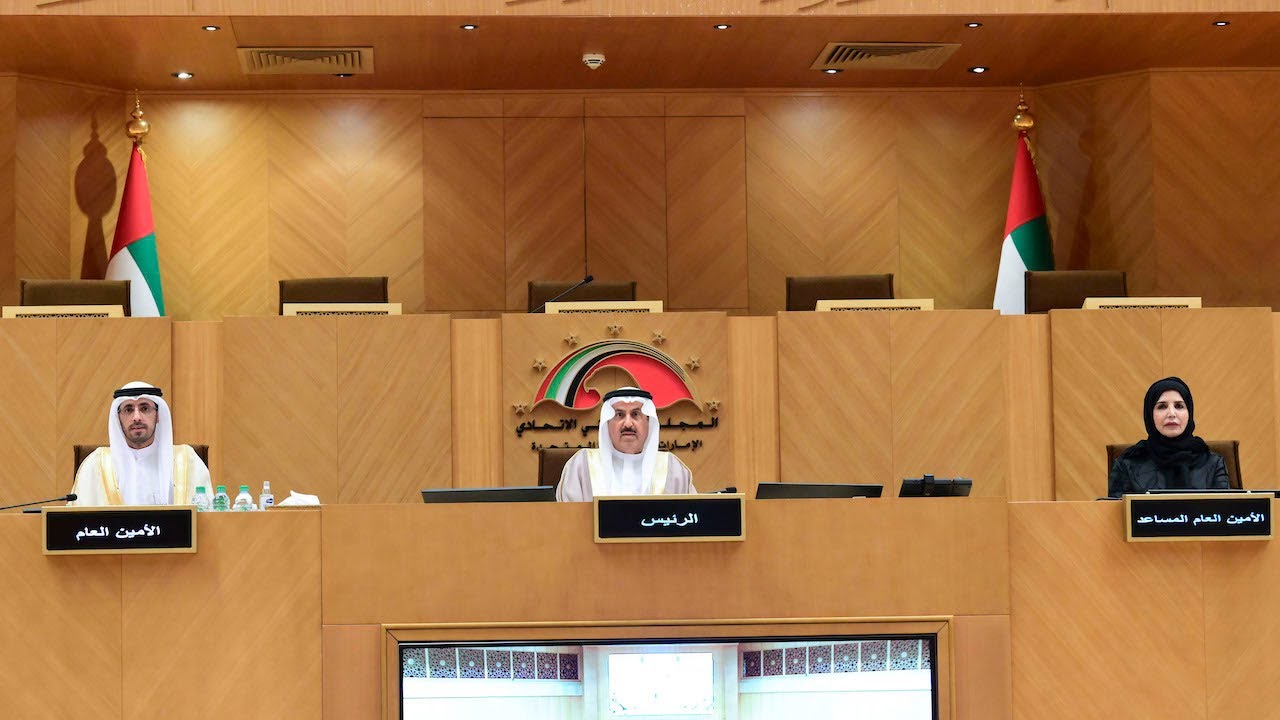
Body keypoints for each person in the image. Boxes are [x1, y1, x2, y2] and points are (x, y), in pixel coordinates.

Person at [69, 381, 211, 506]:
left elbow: (207, 517)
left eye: (144, 409)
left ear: (158, 416)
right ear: (118, 418)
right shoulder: (96, 463)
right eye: (128, 410)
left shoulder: (186, 460)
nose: (136, 417)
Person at [556, 386, 696, 502]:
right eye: (619, 415)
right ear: (607, 423)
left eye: (635, 414)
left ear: (648, 423)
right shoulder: (582, 465)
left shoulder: (672, 468)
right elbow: (567, 521)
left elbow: (694, 519)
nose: (628, 424)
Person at [1107, 376, 1229, 498]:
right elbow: (1118, 509)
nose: (1171, 414)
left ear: (1189, 412)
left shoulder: (1213, 463)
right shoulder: (1127, 464)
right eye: (1162, 406)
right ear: (1150, 414)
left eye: (1179, 406)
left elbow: (1224, 507)